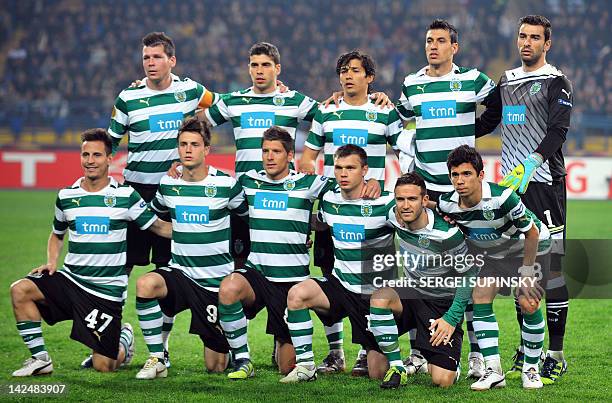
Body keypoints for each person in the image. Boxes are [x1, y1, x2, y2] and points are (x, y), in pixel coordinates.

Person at [10, 129, 170, 377]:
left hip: (105, 292)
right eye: (85, 154)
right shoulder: (67, 196)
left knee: (104, 366)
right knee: (20, 289)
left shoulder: (125, 196)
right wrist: (52, 262)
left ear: (109, 158)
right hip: (71, 281)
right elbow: (57, 233)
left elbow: (158, 226)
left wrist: (200, 229)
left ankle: (124, 341)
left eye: (96, 155)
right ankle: (40, 359)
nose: (90, 160)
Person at [107, 32, 219, 365]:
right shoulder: (128, 97)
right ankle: (111, 338)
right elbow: (110, 142)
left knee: (166, 271)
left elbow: (225, 103)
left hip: (176, 195)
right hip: (137, 194)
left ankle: (162, 348)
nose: (151, 63)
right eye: (146, 57)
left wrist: (276, 89)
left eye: (157, 57)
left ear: (172, 60)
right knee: (120, 269)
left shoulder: (191, 91)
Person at [393, 19, 496, 377]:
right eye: (428, 41)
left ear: (455, 46)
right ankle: (420, 351)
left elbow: (499, 106)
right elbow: (396, 123)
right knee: (419, 267)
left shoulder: (473, 79)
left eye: (440, 41)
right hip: (427, 191)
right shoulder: (411, 84)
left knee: (466, 268)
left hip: (460, 191)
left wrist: (474, 130)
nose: (433, 46)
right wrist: (406, 156)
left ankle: (477, 354)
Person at [475, 15, 573, 384]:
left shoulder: (557, 81)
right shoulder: (506, 82)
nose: (527, 42)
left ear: (547, 43)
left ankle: (556, 353)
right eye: (522, 36)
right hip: (511, 189)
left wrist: (533, 161)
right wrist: (448, 126)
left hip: (545, 183)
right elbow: (488, 123)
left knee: (552, 271)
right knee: (523, 269)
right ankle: (526, 348)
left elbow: (558, 130)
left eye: (535, 37)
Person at [299, 50, 402, 375]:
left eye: (355, 70)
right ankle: (334, 352)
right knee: (331, 278)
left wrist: (385, 187)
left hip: (371, 213)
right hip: (336, 212)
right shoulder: (326, 111)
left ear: (369, 77)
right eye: (344, 70)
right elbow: (307, 159)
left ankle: (365, 347)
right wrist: (324, 190)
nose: (348, 75)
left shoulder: (384, 111)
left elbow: (405, 152)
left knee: (371, 284)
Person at [218, 126, 336, 380]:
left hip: (291, 282)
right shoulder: (248, 181)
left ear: (290, 155)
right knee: (228, 289)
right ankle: (243, 360)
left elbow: (344, 187)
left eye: (276, 152)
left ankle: (306, 354)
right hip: (257, 274)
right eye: (265, 151)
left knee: (287, 367)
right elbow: (218, 190)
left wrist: (370, 183)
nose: (269, 157)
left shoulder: (307, 183)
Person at [133, 117, 248, 379]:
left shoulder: (226, 185)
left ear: (206, 150)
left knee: (216, 366)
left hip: (214, 283)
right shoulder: (168, 185)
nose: (187, 149)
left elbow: (246, 220)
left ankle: (233, 345)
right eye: (183, 144)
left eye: (194, 144)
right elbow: (157, 220)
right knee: (146, 284)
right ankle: (157, 357)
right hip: (180, 274)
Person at [437, 145, 551, 390]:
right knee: (480, 294)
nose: (460, 181)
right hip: (494, 254)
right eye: (455, 175)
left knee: (528, 302)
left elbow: (531, 231)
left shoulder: (503, 197)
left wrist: (527, 274)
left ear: (480, 175)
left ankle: (531, 369)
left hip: (530, 247)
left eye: (466, 174)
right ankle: (493, 370)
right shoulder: (447, 205)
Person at [281, 144, 396, 383]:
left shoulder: (385, 203)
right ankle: (305, 367)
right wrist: (300, 233)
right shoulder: (329, 199)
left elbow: (412, 220)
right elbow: (317, 222)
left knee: (378, 374)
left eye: (351, 168)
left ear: (365, 170)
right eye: (339, 168)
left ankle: (408, 355)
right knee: (297, 295)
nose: (343, 173)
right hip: (340, 285)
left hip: (370, 294)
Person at [369, 172, 477, 389]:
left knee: (441, 380)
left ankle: (439, 360)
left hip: (440, 305)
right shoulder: (393, 214)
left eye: (412, 199)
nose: (405, 205)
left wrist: (451, 318)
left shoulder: (446, 234)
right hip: (410, 294)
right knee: (376, 370)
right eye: (400, 199)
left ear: (425, 200)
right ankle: (398, 367)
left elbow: (469, 274)